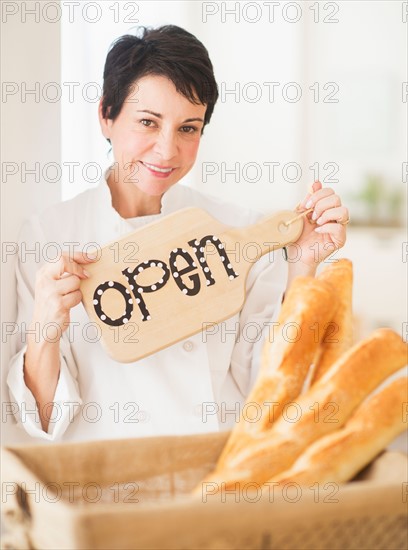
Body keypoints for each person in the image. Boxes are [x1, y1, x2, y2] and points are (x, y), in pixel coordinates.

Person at [7, 25, 349, 442]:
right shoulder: (48, 237)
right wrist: (46, 323)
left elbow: (272, 387)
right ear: (106, 116)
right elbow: (41, 421)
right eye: (148, 122)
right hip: (106, 489)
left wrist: (302, 265)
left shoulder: (240, 230)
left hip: (211, 484)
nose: (167, 150)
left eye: (188, 128)